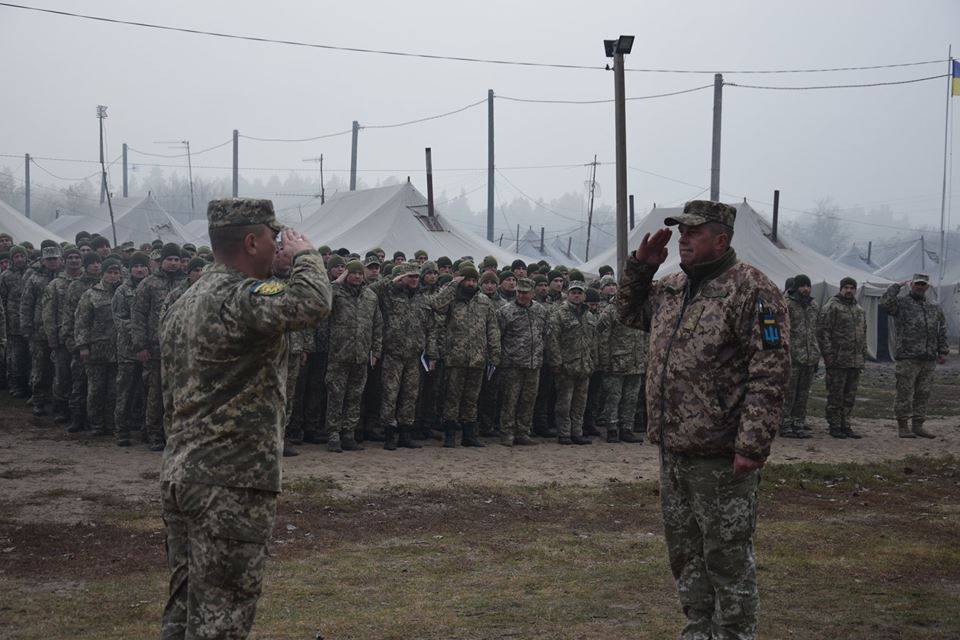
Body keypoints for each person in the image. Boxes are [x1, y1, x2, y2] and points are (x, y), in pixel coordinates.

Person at [159, 198, 331, 639]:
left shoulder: (183, 302)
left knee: (184, 609)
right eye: (275, 238)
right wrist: (306, 256)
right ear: (251, 241)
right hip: (231, 481)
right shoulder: (240, 297)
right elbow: (312, 303)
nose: (280, 246)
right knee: (223, 614)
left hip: (183, 473)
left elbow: (169, 395)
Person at [617, 200, 790, 640]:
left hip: (720, 453)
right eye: (680, 232)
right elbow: (627, 313)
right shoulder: (673, 287)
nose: (682, 239)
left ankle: (733, 634)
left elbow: (769, 373)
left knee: (727, 555)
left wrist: (751, 446)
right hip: (674, 447)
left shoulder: (752, 290)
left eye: (692, 233)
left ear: (721, 239)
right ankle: (698, 629)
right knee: (686, 553)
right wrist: (641, 268)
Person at [435, 263, 501, 447]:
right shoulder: (452, 299)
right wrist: (453, 284)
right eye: (467, 280)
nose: (471, 284)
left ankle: (469, 436)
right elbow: (436, 305)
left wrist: (495, 353)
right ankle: (449, 436)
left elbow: (492, 329)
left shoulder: (484, 301)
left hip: (477, 358)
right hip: (455, 358)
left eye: (473, 280)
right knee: (452, 397)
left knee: (472, 398)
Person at [879, 273, 949, 438]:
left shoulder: (934, 307)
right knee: (904, 392)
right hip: (908, 357)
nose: (920, 287)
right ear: (911, 285)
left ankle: (918, 425)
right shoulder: (901, 304)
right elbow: (883, 304)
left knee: (923, 392)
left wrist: (942, 350)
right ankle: (903, 426)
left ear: (927, 287)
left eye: (923, 284)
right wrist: (896, 286)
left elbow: (941, 328)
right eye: (917, 284)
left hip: (928, 358)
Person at [325, 260, 382, 452]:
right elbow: (324, 297)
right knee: (336, 395)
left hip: (361, 354)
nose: (357, 276)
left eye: (360, 273)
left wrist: (376, 350)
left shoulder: (370, 296)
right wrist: (338, 280)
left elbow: (377, 325)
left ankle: (348, 434)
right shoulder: (337, 293)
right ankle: (333, 434)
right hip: (339, 354)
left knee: (355, 396)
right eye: (353, 273)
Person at [132, 243, 185, 450]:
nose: (173, 263)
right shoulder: (148, 284)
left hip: (181, 349)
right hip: (155, 348)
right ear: (161, 261)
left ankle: (174, 434)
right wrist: (140, 345)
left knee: (179, 394)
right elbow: (138, 317)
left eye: (176, 259)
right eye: (169, 259)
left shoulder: (186, 283)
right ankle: (153, 433)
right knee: (155, 393)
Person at [495, 277, 546, 446]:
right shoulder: (505, 311)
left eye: (526, 292)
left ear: (532, 293)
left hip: (533, 364)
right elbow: (497, 337)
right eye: (520, 292)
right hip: (512, 364)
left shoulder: (540, 310)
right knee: (510, 399)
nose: (522, 295)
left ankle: (523, 431)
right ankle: (507, 433)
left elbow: (545, 333)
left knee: (529, 399)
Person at [74, 257, 122, 436]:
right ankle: (96, 424)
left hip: (118, 350)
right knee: (95, 390)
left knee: (114, 391)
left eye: (116, 272)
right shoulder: (91, 294)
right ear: (102, 274)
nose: (113, 276)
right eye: (110, 272)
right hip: (96, 351)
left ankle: (110, 424)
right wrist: (83, 346)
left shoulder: (124, 293)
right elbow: (81, 322)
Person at [546, 281, 597, 445]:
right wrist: (556, 362)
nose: (576, 295)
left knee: (580, 403)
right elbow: (552, 340)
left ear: (584, 296)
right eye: (573, 292)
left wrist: (593, 361)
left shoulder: (589, 316)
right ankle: (564, 433)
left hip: (584, 366)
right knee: (564, 403)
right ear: (568, 294)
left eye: (579, 293)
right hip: (566, 366)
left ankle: (577, 432)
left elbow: (594, 341)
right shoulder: (559, 314)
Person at [817, 276, 868, 439]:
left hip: (855, 360)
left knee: (849, 396)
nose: (849, 290)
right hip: (838, 360)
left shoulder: (859, 309)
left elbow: (863, 333)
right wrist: (828, 355)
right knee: (836, 395)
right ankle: (834, 425)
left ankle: (846, 424)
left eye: (852, 288)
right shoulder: (832, 307)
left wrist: (863, 355)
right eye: (846, 287)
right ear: (840, 289)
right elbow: (823, 332)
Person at [113, 251, 150, 447]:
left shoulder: (151, 287)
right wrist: (138, 328)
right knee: (125, 391)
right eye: (135, 266)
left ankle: (146, 430)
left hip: (149, 351)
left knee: (148, 393)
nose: (139, 269)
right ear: (130, 269)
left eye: (142, 265)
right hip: (128, 350)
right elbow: (118, 319)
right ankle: (122, 430)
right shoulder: (122, 290)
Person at [21, 244, 61, 416]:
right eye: (49, 259)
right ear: (43, 261)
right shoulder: (34, 278)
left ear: (61, 259)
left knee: (58, 368)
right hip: (39, 330)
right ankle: (38, 399)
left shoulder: (65, 278)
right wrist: (26, 327)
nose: (52, 262)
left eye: (55, 258)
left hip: (60, 329)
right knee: (39, 366)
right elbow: (26, 304)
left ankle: (55, 399)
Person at [780, 274, 820, 439]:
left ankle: (798, 423)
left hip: (809, 357)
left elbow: (816, 330)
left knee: (803, 394)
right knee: (789, 393)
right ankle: (785, 424)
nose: (806, 289)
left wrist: (816, 353)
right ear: (796, 287)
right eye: (802, 285)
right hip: (792, 357)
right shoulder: (787, 305)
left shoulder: (813, 305)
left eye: (808, 285)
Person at [0, 245, 30, 398]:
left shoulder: (31, 273)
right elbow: (2, 300)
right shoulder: (5, 276)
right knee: (16, 356)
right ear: (12, 259)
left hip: (30, 323)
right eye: (16, 256)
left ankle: (30, 385)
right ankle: (16, 385)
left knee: (31, 357)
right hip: (14, 322)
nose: (19, 259)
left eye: (21, 256)